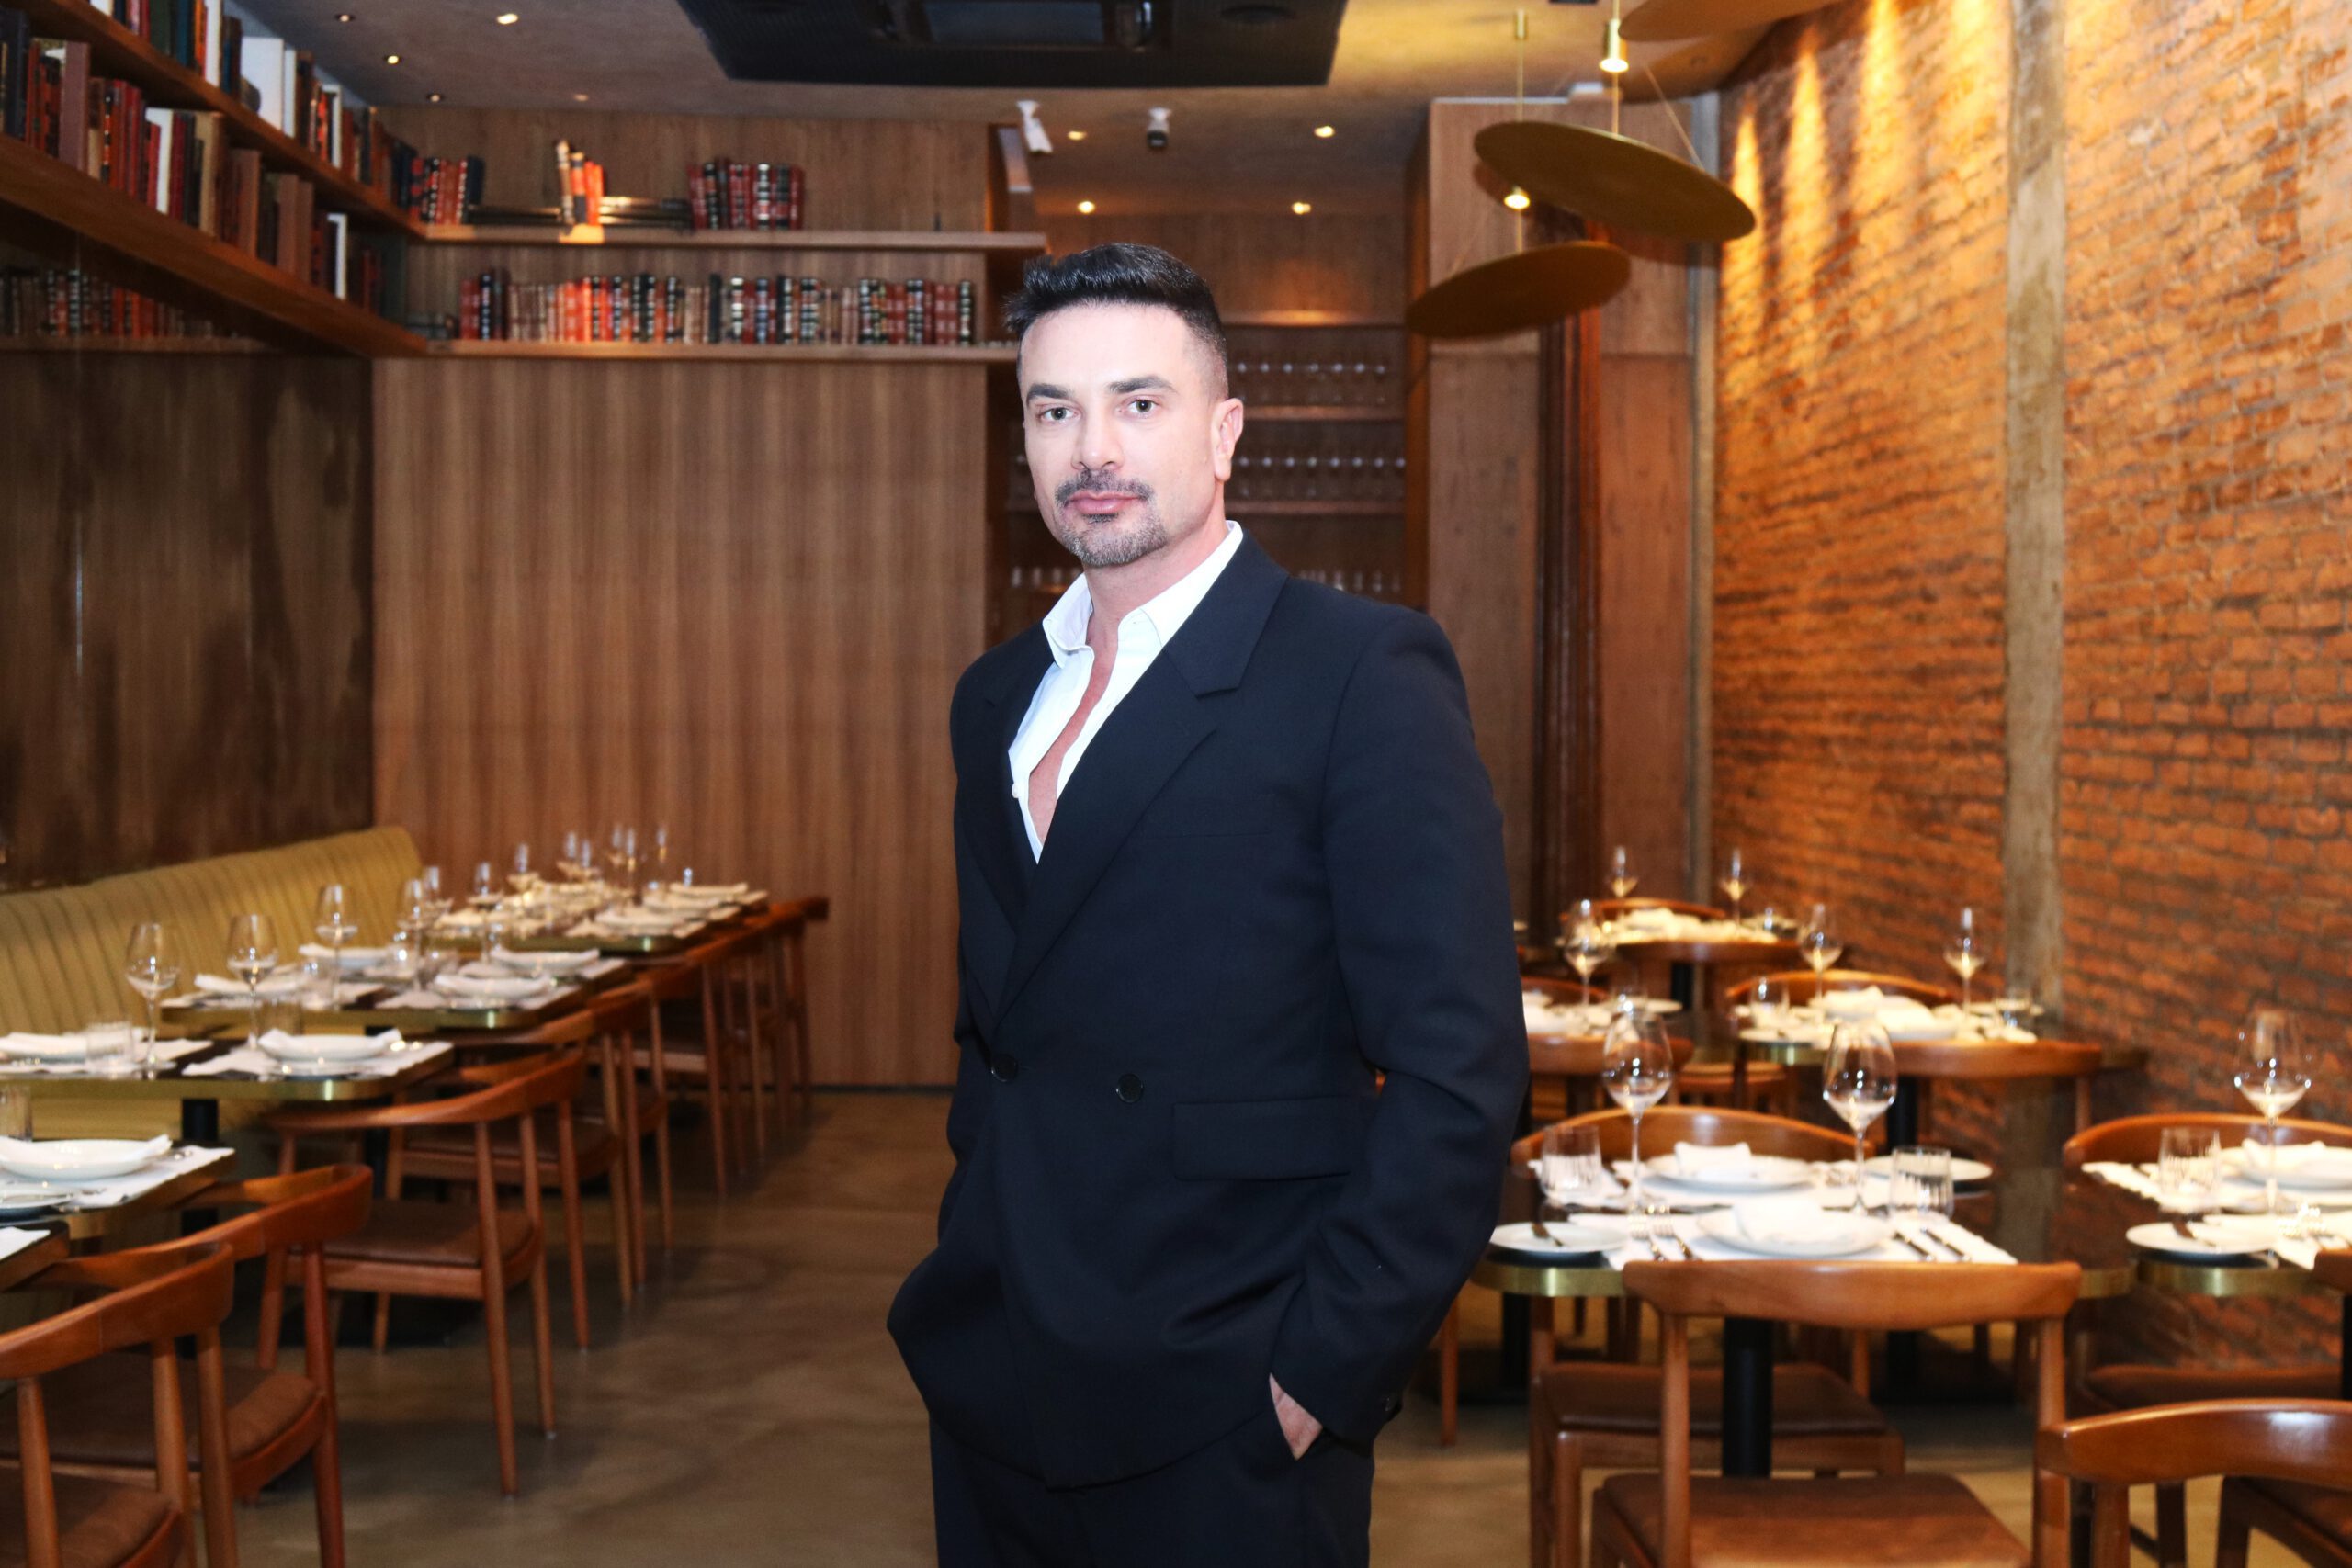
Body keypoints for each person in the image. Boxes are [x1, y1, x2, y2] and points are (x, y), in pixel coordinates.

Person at [888, 243, 1525, 1567]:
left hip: (1224, 1389)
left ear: (1225, 431)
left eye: (1140, 402)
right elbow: (999, 1029)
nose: (1092, 449)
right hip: (997, 1364)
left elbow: (1459, 1071)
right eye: (1053, 410)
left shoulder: (1357, 673)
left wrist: (1320, 1373)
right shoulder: (996, 696)